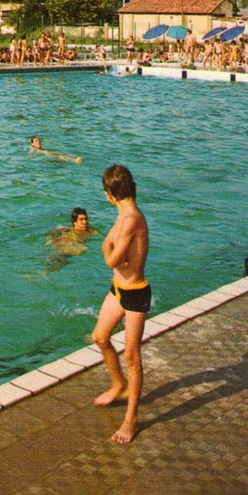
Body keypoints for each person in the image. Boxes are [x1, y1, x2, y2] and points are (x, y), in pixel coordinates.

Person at [92, 164, 150, 444]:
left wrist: (109, 254)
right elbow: (108, 243)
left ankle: (131, 419)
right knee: (101, 337)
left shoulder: (130, 218)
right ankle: (118, 384)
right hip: (118, 289)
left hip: (136, 292)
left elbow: (111, 258)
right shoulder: (122, 214)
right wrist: (110, 249)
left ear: (109, 194)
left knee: (132, 357)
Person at [45, 207, 100, 272]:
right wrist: (50, 239)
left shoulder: (91, 231)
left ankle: (44, 274)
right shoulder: (67, 230)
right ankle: (44, 273)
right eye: (81, 219)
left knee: (58, 264)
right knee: (56, 260)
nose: (84, 222)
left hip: (70, 249)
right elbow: (53, 234)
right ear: (74, 221)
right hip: (63, 246)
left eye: (86, 219)